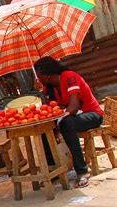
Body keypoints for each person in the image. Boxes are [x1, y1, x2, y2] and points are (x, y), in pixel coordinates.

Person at [34, 56, 104, 188]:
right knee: (43, 127)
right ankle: (53, 169)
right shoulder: (49, 87)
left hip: (91, 115)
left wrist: (60, 118)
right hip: (71, 117)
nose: (38, 78)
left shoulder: (70, 77)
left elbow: (74, 106)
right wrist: (41, 92)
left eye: (39, 76)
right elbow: (49, 108)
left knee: (66, 124)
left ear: (47, 75)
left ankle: (82, 171)